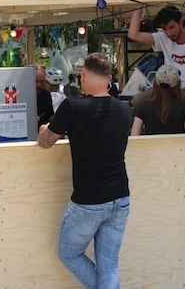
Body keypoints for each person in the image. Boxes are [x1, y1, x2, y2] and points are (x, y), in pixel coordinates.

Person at [38, 53, 133, 289]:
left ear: (82, 77)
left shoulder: (73, 106)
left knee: (69, 254)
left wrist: (44, 128)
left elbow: (46, 141)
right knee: (109, 266)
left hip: (89, 199)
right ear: (109, 79)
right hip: (121, 197)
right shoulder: (125, 109)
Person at [131, 65, 185, 136]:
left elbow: (134, 135)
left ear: (155, 83)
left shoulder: (143, 106)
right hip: (178, 143)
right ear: (178, 85)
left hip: (152, 143)